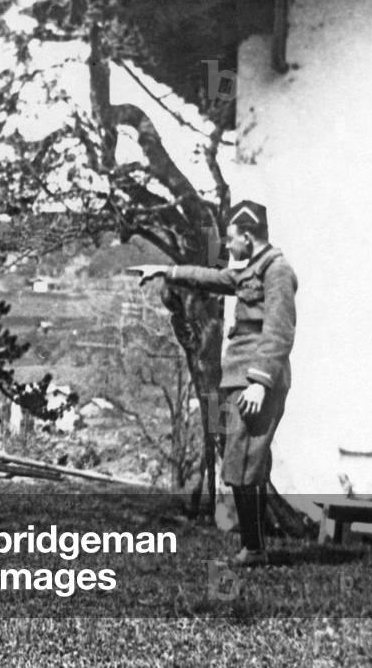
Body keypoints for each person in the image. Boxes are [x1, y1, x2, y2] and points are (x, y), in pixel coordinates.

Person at [135, 200, 297, 567]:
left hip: (256, 381)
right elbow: (214, 278)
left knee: (245, 463)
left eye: (231, 238)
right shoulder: (254, 269)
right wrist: (166, 271)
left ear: (248, 236)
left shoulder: (277, 272)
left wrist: (259, 383)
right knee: (242, 463)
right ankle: (254, 548)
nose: (227, 245)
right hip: (241, 377)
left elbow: (279, 331)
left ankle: (253, 550)